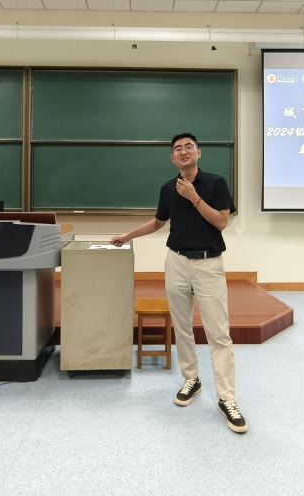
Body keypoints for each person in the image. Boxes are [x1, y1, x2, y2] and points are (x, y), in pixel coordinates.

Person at [111, 132, 247, 433]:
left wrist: (194, 197)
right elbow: (158, 222)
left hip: (208, 263)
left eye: (188, 147)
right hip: (176, 262)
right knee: (182, 327)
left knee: (218, 333)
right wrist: (128, 235)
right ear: (172, 158)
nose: (183, 152)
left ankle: (227, 398)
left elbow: (221, 222)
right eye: (177, 149)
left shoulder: (216, 183)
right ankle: (191, 379)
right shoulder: (168, 188)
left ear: (199, 153)